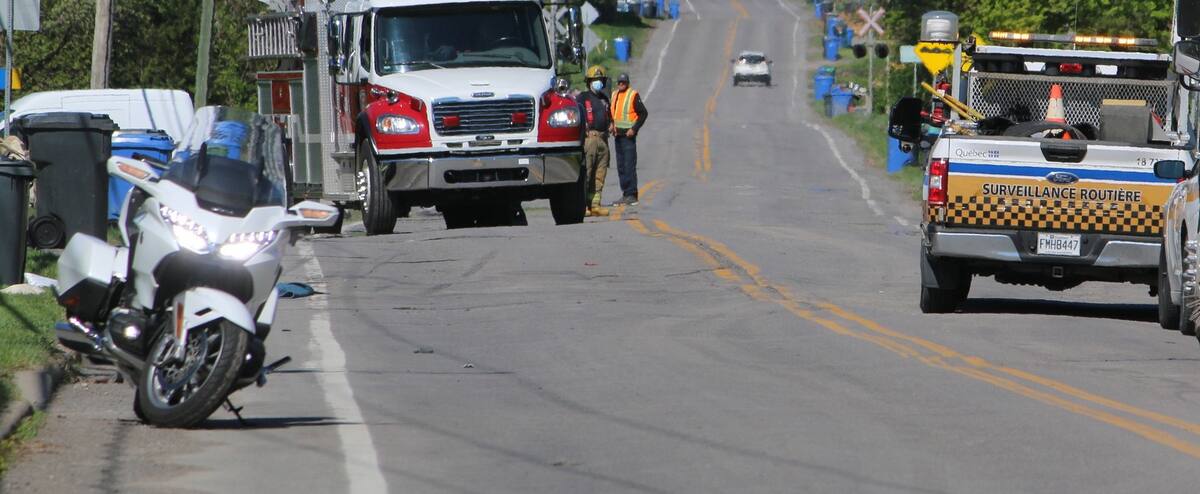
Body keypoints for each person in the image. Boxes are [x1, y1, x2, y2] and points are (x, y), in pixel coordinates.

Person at [609, 72, 648, 206]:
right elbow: (612, 113)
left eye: (623, 82)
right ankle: (625, 194)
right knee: (621, 167)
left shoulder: (633, 95)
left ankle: (632, 194)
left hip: (628, 137)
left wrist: (634, 129)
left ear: (627, 83)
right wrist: (611, 124)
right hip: (617, 136)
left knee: (629, 165)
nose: (621, 84)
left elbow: (643, 113)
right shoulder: (614, 95)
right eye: (619, 82)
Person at [578, 65, 612, 216]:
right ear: (589, 82)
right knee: (587, 173)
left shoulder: (605, 99)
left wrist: (611, 124)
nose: (597, 82)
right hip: (589, 139)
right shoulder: (582, 97)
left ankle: (595, 204)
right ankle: (582, 205)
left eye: (600, 79)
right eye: (594, 80)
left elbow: (609, 116)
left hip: (604, 139)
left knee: (600, 174)